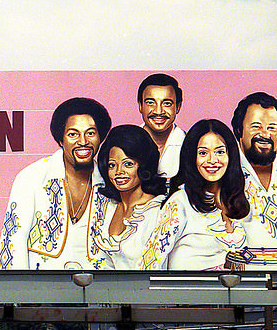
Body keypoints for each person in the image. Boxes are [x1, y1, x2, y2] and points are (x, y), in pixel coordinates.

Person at [0, 97, 111, 270]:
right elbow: (12, 243)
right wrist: (20, 292)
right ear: (60, 139)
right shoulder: (32, 177)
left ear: (100, 138)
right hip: (42, 289)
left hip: (96, 290)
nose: (83, 141)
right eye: (73, 134)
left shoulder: (109, 180)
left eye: (90, 133)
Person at [140, 119, 250, 270]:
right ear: (192, 157)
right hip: (186, 291)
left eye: (219, 151)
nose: (212, 160)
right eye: (203, 153)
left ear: (231, 155)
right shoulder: (180, 202)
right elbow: (148, 264)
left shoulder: (237, 201)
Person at [90, 125, 167, 269]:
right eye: (112, 165)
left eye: (128, 164)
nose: (119, 171)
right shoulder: (106, 208)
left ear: (143, 166)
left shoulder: (158, 212)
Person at [226, 92, 277, 268]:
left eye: (272, 127)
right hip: (239, 283)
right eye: (256, 126)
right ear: (239, 130)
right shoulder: (221, 169)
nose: (265, 134)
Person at [137, 73, 185, 178]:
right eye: (150, 102)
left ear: (178, 107)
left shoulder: (190, 144)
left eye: (167, 103)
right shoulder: (124, 142)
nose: (158, 111)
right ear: (140, 106)